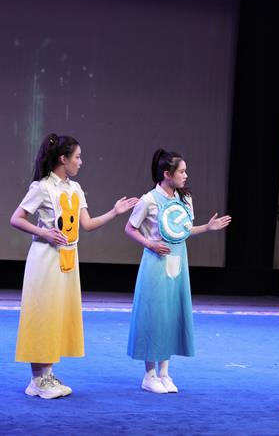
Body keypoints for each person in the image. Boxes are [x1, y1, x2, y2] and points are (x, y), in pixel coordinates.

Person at [10, 133, 138, 399]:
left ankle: (47, 374)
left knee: (56, 314)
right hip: (45, 259)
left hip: (68, 259)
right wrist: (43, 232)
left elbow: (87, 225)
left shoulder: (75, 189)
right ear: (63, 159)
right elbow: (16, 218)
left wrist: (115, 212)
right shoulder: (42, 187)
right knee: (42, 313)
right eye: (77, 157)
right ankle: (37, 379)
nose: (81, 162)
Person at [125, 148, 231, 394]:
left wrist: (207, 227)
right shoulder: (149, 200)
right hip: (155, 263)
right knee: (154, 315)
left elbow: (183, 230)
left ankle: (164, 373)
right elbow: (130, 228)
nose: (186, 175)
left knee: (171, 314)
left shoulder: (185, 199)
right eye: (181, 171)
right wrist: (150, 244)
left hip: (178, 262)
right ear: (167, 174)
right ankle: (149, 375)